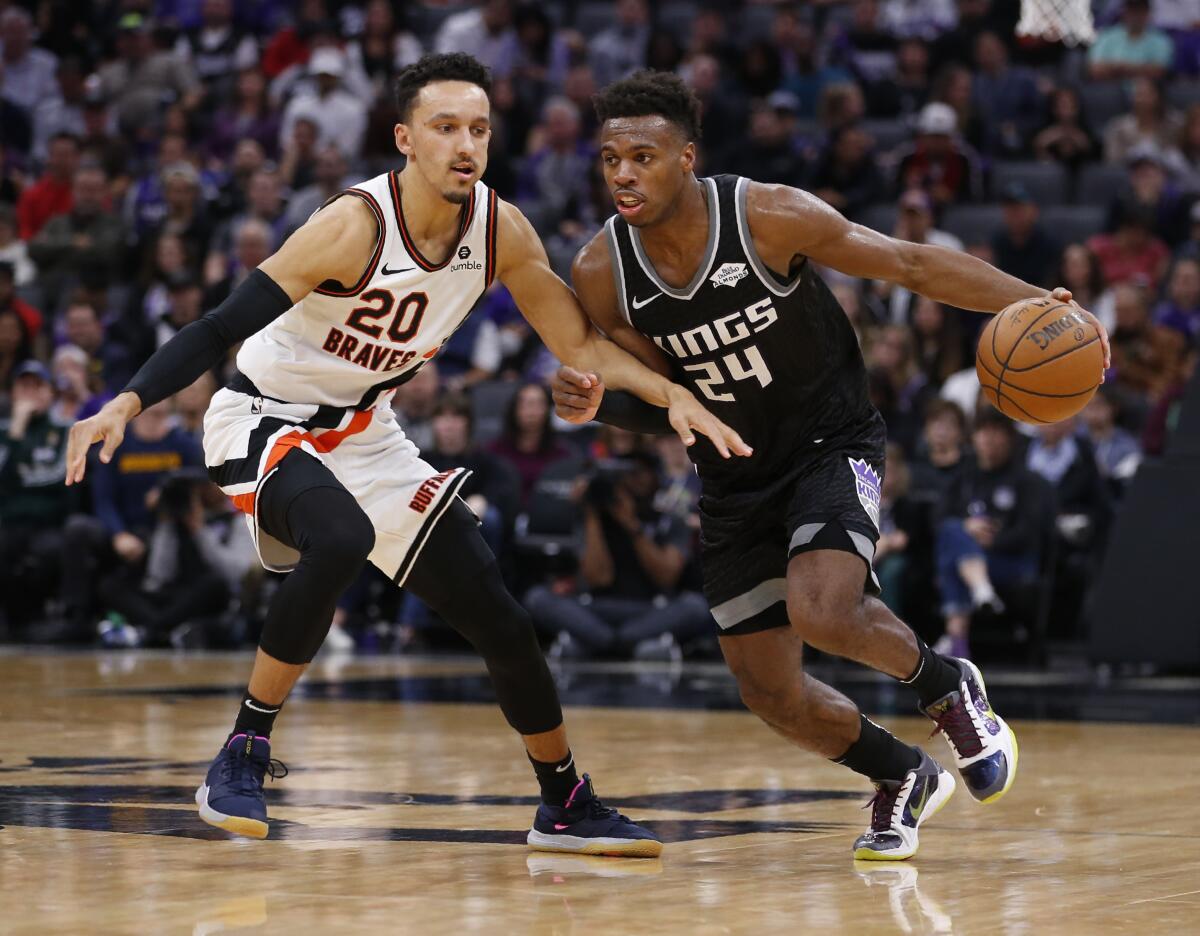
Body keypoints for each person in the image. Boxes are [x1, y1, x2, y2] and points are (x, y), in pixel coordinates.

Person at [66, 53, 745, 856]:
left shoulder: (500, 229)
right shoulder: (352, 226)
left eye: (480, 130)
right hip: (262, 414)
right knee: (342, 537)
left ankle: (564, 800)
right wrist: (124, 401)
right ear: (404, 138)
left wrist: (676, 397)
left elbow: (579, 344)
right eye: (446, 128)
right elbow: (220, 326)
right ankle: (242, 749)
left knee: (501, 617)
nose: (466, 145)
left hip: (367, 435)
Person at [550, 70, 1110, 861]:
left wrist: (1036, 302)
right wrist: (597, 404)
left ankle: (947, 686)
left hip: (828, 438)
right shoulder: (602, 272)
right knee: (769, 692)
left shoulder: (768, 216)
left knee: (823, 609)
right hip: (732, 476)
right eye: (610, 160)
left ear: (687, 158)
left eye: (643, 156)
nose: (624, 175)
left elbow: (911, 264)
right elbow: (662, 401)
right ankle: (902, 775)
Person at [525, 450, 712, 662]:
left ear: (655, 476)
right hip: (594, 607)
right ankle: (623, 643)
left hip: (651, 608)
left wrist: (631, 525)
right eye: (626, 474)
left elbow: (666, 577)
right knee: (537, 598)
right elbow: (598, 578)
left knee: (695, 606)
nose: (633, 480)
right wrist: (592, 514)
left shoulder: (669, 517)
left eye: (640, 472)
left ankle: (602, 643)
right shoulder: (592, 515)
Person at [933, 408, 1045, 658]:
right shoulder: (963, 477)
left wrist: (990, 541)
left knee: (953, 559)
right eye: (983, 432)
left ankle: (956, 640)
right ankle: (981, 589)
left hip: (1010, 561)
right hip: (975, 561)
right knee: (953, 530)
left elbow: (1029, 532)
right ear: (974, 437)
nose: (989, 439)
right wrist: (967, 528)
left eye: (996, 433)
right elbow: (938, 520)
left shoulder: (1026, 480)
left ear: (1009, 439)